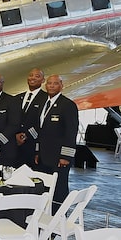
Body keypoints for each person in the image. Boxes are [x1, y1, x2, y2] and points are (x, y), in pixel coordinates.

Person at [34, 75, 78, 207]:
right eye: (49, 83)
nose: (52, 86)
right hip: (43, 156)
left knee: (59, 189)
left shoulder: (68, 105)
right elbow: (39, 131)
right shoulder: (43, 104)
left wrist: (65, 156)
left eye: (55, 84)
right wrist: (37, 151)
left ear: (61, 85)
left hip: (59, 158)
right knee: (45, 189)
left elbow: (71, 132)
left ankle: (59, 217)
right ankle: (46, 215)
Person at [16, 67, 48, 167]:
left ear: (43, 80)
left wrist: (26, 135)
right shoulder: (17, 98)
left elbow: (44, 123)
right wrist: (16, 134)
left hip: (34, 146)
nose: (33, 78)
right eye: (31, 75)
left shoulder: (46, 98)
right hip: (15, 146)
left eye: (37, 76)